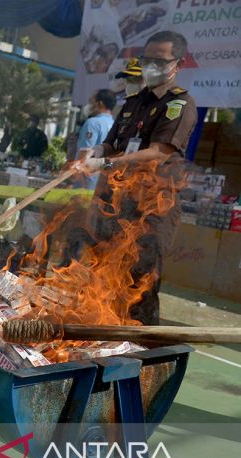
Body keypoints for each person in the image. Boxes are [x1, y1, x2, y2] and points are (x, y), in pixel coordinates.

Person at [73, 31, 198, 325]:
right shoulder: (133, 103)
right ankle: (102, 339)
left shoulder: (179, 105)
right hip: (119, 202)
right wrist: (94, 151)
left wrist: (105, 162)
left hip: (153, 207)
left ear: (177, 65)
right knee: (104, 271)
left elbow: (158, 152)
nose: (151, 66)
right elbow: (113, 142)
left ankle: (142, 355)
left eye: (159, 60)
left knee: (140, 281)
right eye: (146, 59)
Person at [73, 89, 116, 189]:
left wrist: (73, 177)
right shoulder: (115, 124)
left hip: (87, 182)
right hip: (104, 182)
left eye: (90, 102)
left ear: (100, 103)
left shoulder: (93, 123)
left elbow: (84, 155)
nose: (88, 105)